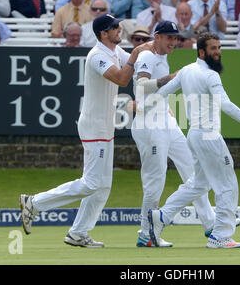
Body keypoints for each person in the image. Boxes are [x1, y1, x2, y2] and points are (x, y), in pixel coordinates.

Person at [20, 14, 154, 247]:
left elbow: (138, 59)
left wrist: (155, 46)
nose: (119, 29)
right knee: (92, 183)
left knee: (103, 187)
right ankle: (35, 203)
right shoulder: (96, 56)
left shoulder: (114, 51)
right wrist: (136, 53)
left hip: (104, 125)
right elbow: (123, 79)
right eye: (115, 27)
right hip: (94, 125)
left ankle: (78, 233)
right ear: (104, 33)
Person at [147, 32, 240, 248]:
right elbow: (226, 104)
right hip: (208, 136)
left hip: (195, 136)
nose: (218, 52)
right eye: (213, 49)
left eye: (219, 48)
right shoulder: (210, 76)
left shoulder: (187, 71)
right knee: (227, 185)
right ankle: (220, 236)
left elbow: (162, 93)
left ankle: (162, 216)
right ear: (202, 52)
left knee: (199, 183)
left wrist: (143, 105)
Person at [131, 20, 216, 247]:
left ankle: (210, 224)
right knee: (155, 181)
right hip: (149, 124)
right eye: (168, 37)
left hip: (165, 119)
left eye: (175, 38)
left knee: (194, 169)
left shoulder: (159, 54)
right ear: (157, 37)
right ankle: (146, 233)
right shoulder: (147, 56)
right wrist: (172, 78)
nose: (173, 42)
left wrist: (165, 103)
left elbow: (155, 90)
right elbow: (141, 85)